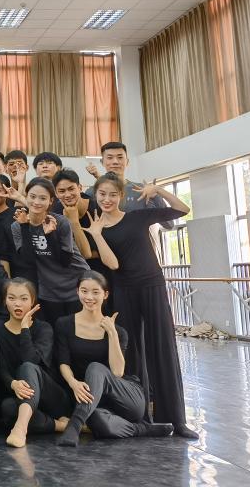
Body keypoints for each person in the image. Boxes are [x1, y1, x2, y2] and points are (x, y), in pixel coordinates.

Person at [90, 172, 196, 439]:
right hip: (124, 290)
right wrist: (98, 235)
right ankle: (141, 419)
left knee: (163, 347)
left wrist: (158, 190)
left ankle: (176, 419)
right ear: (96, 195)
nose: (107, 199)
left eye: (113, 194)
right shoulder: (97, 227)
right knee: (132, 354)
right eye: (102, 194)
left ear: (121, 196)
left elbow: (183, 209)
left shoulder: (138, 217)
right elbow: (112, 264)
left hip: (152, 285)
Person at [55, 272, 174, 446]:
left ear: (105, 294)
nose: (89, 297)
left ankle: (74, 426)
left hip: (126, 396)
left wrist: (111, 333)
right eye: (84, 291)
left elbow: (118, 372)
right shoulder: (64, 324)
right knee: (98, 422)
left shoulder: (118, 331)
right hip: (92, 398)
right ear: (77, 292)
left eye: (95, 292)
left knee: (95, 367)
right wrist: (73, 383)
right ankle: (142, 429)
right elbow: (63, 362)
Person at [0, 278, 71, 448]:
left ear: (33, 301)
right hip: (21, 397)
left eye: (23, 298)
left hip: (50, 398)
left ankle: (20, 429)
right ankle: (60, 425)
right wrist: (12, 383)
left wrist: (24, 329)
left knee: (27, 367)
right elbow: (0, 367)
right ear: (5, 301)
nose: (17, 303)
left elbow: (31, 360)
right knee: (7, 408)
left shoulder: (44, 328)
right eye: (12, 298)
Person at [10, 178, 90, 325]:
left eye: (43, 198)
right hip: (49, 289)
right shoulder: (17, 226)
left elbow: (65, 261)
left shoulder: (60, 222)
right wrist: (24, 227)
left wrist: (50, 235)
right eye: (32, 196)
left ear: (51, 201)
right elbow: (28, 260)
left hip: (75, 285)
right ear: (26, 197)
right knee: (54, 331)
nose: (36, 202)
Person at [53, 169, 115, 313]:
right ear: (56, 193)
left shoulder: (98, 208)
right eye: (61, 191)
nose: (67, 195)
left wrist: (74, 222)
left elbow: (92, 253)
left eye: (71, 189)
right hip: (73, 277)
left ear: (80, 187)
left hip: (103, 273)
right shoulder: (55, 213)